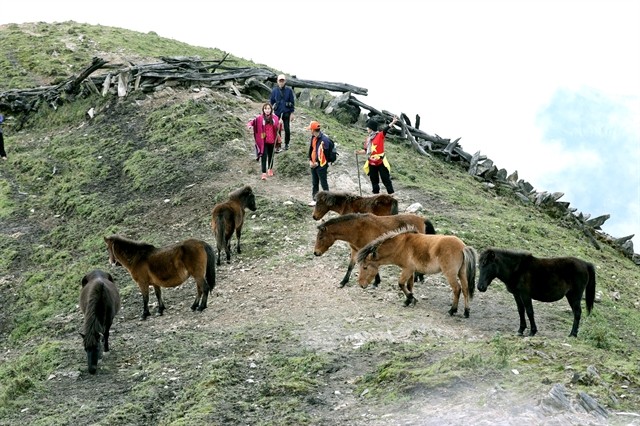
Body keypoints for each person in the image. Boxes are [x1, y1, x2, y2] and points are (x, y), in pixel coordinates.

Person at [356, 115, 397, 194]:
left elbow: (386, 129)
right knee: (374, 179)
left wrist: (393, 122)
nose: (367, 128)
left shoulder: (380, 135)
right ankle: (375, 195)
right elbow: (366, 151)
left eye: (368, 127)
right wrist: (358, 152)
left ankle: (391, 195)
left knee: (385, 179)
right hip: (372, 161)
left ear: (371, 128)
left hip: (381, 160)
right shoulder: (368, 139)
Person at [247, 103, 280, 180]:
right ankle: (264, 173)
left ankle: (270, 169)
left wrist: (280, 124)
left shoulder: (275, 118)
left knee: (271, 155)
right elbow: (252, 122)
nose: (267, 110)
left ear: (271, 109)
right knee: (264, 156)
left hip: (272, 139)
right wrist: (249, 125)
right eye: (265, 109)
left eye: (269, 109)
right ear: (263, 110)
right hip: (263, 139)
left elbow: (278, 127)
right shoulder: (259, 118)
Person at [307, 121, 331, 206]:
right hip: (313, 164)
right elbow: (311, 149)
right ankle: (315, 199)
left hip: (321, 166)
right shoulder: (313, 137)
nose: (310, 131)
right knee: (315, 183)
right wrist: (310, 160)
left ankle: (328, 200)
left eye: (310, 129)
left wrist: (317, 163)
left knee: (323, 183)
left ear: (313, 130)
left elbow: (326, 155)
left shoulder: (325, 140)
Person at [270, 74, 295, 152]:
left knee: (287, 129)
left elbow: (292, 102)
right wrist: (271, 113)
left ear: (285, 81)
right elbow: (271, 102)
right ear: (277, 81)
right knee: (278, 130)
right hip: (277, 113)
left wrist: (292, 113)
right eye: (280, 80)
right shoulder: (274, 91)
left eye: (282, 80)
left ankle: (287, 144)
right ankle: (278, 145)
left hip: (287, 113)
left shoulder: (289, 90)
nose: (281, 82)